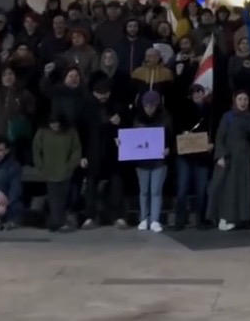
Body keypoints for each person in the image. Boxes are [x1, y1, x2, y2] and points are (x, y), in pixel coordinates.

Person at [80, 80, 129, 230]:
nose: (102, 97)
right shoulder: (87, 108)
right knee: (91, 187)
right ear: (94, 93)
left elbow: (127, 128)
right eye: (99, 94)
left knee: (116, 186)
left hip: (113, 154)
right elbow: (83, 133)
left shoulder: (117, 106)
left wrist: (120, 122)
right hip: (93, 153)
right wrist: (82, 156)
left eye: (105, 94)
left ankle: (118, 217)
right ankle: (89, 216)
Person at [208, 90, 250, 231]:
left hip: (243, 160)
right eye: (240, 99)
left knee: (241, 190)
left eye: (245, 99)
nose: (243, 102)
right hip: (228, 158)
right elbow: (220, 137)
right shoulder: (228, 117)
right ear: (235, 101)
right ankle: (224, 218)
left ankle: (239, 219)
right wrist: (220, 156)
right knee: (226, 189)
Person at [172, 84, 214, 230]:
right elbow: (175, 126)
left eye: (200, 92)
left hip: (202, 156)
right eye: (194, 92)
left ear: (204, 93)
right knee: (182, 189)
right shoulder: (182, 107)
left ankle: (200, 220)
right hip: (185, 155)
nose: (197, 95)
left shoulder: (210, 110)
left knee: (201, 190)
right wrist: (183, 133)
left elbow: (213, 130)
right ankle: (179, 220)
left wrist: (211, 144)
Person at [32, 112, 82, 232]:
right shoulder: (42, 132)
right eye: (52, 124)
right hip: (49, 170)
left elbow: (76, 149)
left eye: (56, 124)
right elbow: (36, 149)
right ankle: (58, 223)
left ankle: (59, 222)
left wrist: (71, 165)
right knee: (54, 198)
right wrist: (40, 166)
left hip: (66, 170)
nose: (54, 127)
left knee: (64, 197)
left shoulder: (71, 132)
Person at [131, 90, 171, 232]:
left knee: (155, 191)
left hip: (159, 161)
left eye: (152, 105)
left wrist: (168, 149)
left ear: (157, 105)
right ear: (142, 105)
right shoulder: (137, 119)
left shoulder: (165, 119)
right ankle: (143, 218)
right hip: (142, 161)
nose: (149, 108)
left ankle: (154, 219)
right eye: (147, 105)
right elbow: (132, 139)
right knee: (144, 191)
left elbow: (171, 138)